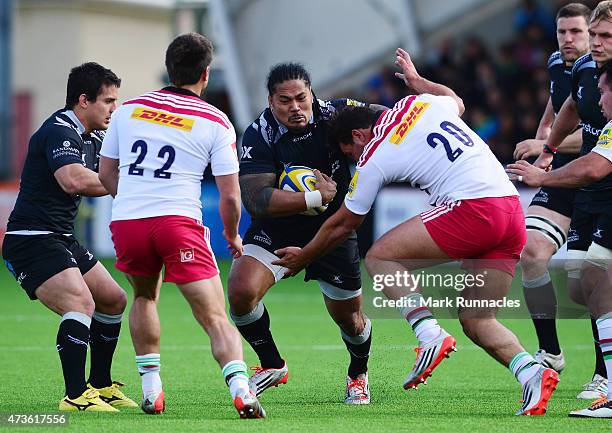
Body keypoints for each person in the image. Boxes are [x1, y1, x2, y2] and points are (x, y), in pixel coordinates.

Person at [275, 48, 559, 416]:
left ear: (359, 135)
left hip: (474, 207)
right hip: (509, 208)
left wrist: (304, 256)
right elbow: (454, 99)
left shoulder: (375, 152)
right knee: (477, 320)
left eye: (349, 151)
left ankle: (429, 334)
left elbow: (345, 222)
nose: (354, 160)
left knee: (380, 256)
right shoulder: (419, 103)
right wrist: (417, 79)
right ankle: (532, 373)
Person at [98, 33, 265, 418]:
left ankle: (151, 390)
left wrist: (132, 202)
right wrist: (232, 233)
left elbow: (106, 173)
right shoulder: (215, 121)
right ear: (205, 74)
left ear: (170, 67)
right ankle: (241, 390)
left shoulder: (129, 109)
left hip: (129, 222)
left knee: (144, 297)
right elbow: (230, 196)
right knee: (213, 316)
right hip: (177, 223)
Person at [229, 62, 378, 404]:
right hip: (277, 229)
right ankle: (271, 364)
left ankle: (358, 374)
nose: (295, 107)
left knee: (351, 320)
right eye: (284, 100)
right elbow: (256, 200)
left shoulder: (337, 113)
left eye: (301, 97)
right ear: (270, 101)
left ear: (311, 93)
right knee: (240, 292)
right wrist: (313, 197)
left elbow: (387, 117)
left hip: (333, 229)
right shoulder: (258, 135)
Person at [2, 63, 136, 412]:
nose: (113, 108)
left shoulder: (95, 137)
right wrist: (128, 184)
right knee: (81, 304)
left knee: (113, 299)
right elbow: (73, 181)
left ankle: (101, 385)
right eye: (108, 101)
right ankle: (75, 397)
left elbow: (127, 163)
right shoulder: (59, 131)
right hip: (31, 239)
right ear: (83, 100)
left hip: (60, 237)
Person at [508, 60, 612, 418]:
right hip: (588, 189)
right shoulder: (567, 70)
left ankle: (607, 382)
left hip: (595, 185)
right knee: (585, 285)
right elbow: (569, 107)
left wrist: (541, 175)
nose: (596, 101)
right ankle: (554, 353)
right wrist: (548, 148)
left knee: (599, 282)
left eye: (603, 92)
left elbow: (595, 165)